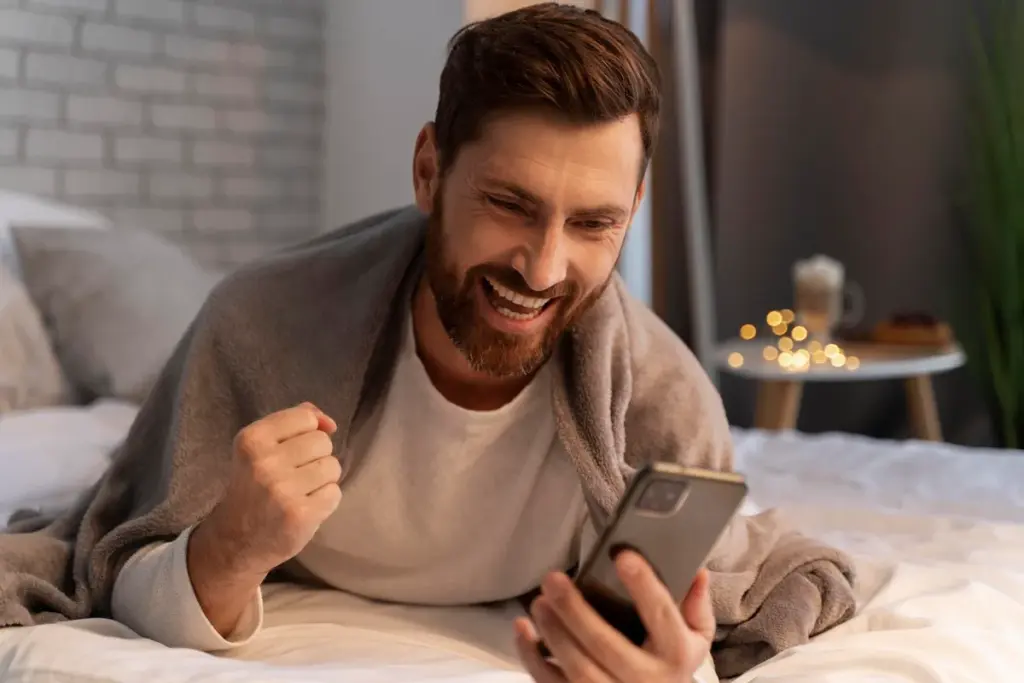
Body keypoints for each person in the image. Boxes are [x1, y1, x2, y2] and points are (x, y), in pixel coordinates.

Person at [0, 4, 855, 682]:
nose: (544, 265)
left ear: (629, 215)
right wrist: (228, 547)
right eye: (510, 205)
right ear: (428, 171)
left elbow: (690, 623)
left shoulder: (662, 399)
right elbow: (115, 563)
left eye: (594, 223)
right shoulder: (259, 324)